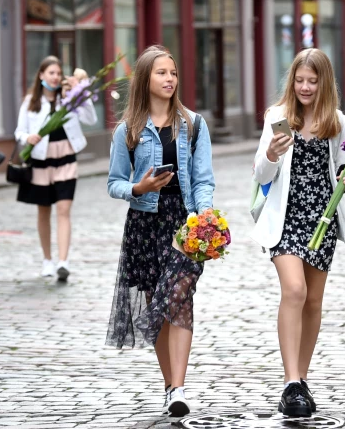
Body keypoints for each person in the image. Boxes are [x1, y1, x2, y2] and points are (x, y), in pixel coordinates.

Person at [251, 48, 345, 417]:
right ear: (292, 81)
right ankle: (290, 382)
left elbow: (344, 168)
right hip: (287, 219)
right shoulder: (278, 118)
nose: (305, 87)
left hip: (322, 221)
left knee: (313, 302)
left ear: (324, 82)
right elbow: (261, 176)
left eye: (313, 81)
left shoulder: (337, 121)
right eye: (300, 80)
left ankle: (301, 380)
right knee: (294, 290)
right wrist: (270, 154)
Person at [106, 46, 215, 417]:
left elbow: (202, 181)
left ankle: (179, 385)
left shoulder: (194, 125)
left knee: (180, 296)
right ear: (145, 80)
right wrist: (139, 188)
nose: (170, 79)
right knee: (158, 302)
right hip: (145, 224)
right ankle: (171, 388)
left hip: (183, 223)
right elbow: (114, 182)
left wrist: (205, 215)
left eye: (173, 72)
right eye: (161, 73)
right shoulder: (128, 131)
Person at [15, 56, 97, 281]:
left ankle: (63, 261)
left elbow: (91, 118)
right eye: (51, 73)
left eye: (58, 73)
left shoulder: (68, 100)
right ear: (41, 75)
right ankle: (47, 260)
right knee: (43, 211)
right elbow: (18, 132)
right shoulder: (32, 102)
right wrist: (27, 138)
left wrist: (80, 92)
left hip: (66, 160)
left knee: (63, 209)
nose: (55, 77)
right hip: (41, 161)